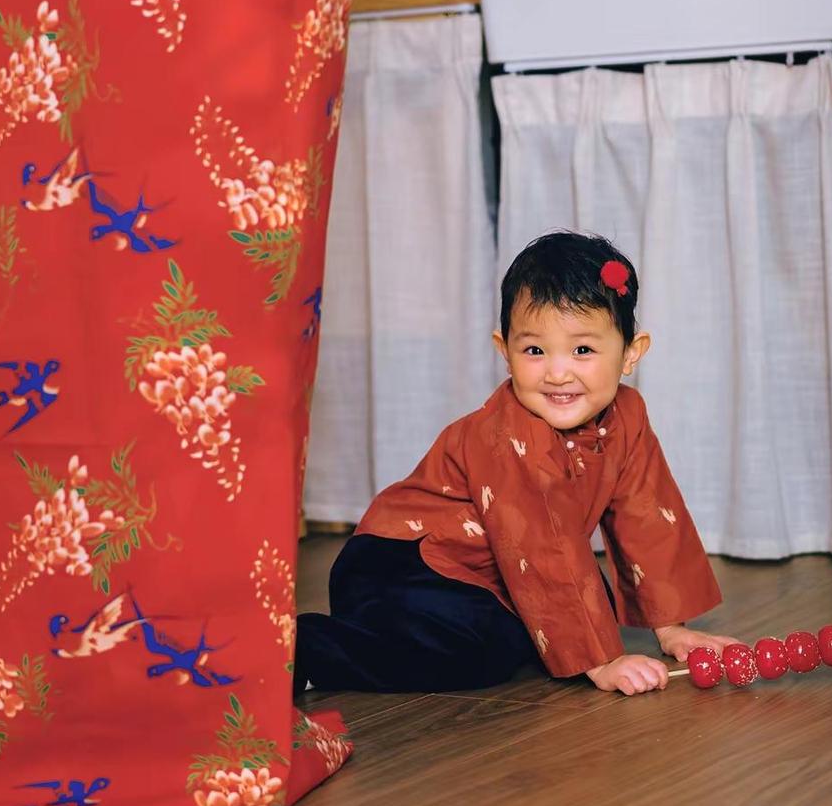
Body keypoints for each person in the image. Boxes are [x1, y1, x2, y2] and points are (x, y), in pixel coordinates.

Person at [296, 230, 740, 697]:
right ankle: (303, 649)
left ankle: (537, 636)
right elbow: (543, 545)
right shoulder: (508, 435)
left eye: (583, 350)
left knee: (580, 608)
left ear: (631, 352)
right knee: (479, 651)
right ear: (504, 351)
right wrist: (601, 660)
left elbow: (648, 515)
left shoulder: (628, 415)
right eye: (534, 351)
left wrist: (671, 630)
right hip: (404, 565)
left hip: (489, 575)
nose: (557, 373)